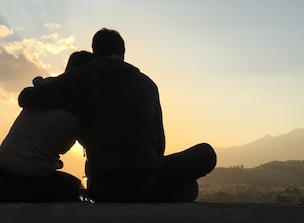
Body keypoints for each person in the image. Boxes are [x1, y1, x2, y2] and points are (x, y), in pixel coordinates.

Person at [18, 28, 216, 202]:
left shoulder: (79, 78)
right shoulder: (147, 84)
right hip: (146, 182)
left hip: (101, 187)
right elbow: (159, 145)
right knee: (204, 156)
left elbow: (25, 98)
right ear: (123, 53)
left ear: (95, 51)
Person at [0, 50, 93, 202]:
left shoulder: (43, 92)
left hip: (1, 176)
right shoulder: (76, 111)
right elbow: (65, 148)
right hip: (29, 181)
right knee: (75, 188)